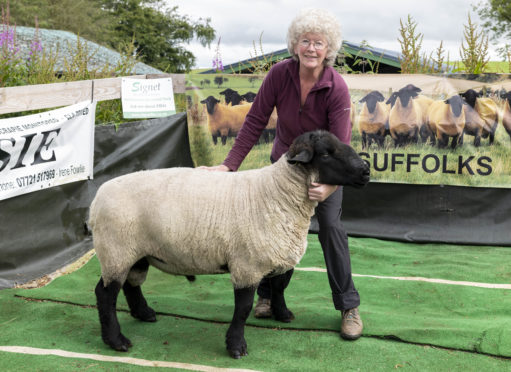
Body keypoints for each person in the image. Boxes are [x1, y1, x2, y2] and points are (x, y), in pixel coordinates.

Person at [202, 8, 363, 340]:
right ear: (295, 44)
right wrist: (228, 165)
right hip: (284, 170)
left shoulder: (337, 88)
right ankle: (267, 297)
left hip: (323, 174)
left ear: (328, 48)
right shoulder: (279, 75)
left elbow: (341, 145)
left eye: (319, 42)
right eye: (305, 40)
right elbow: (255, 120)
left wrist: (330, 186)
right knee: (268, 232)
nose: (311, 48)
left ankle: (348, 307)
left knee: (331, 227)